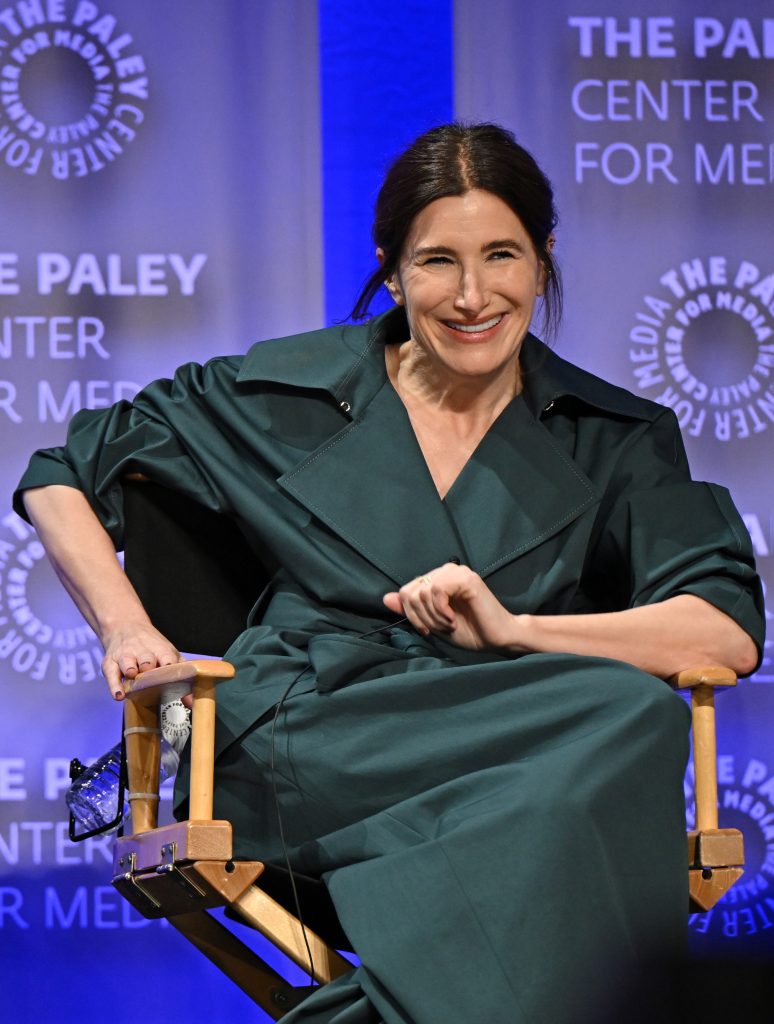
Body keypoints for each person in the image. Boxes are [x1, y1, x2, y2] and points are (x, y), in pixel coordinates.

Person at [15, 123, 763, 1024]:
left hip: (510, 737)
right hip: (312, 732)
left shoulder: (612, 434)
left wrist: (516, 631)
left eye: (502, 256)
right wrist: (126, 628)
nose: (474, 296)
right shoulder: (284, 396)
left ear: (544, 258)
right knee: (592, 772)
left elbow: (723, 630)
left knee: (623, 726)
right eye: (439, 261)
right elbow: (63, 474)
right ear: (393, 269)